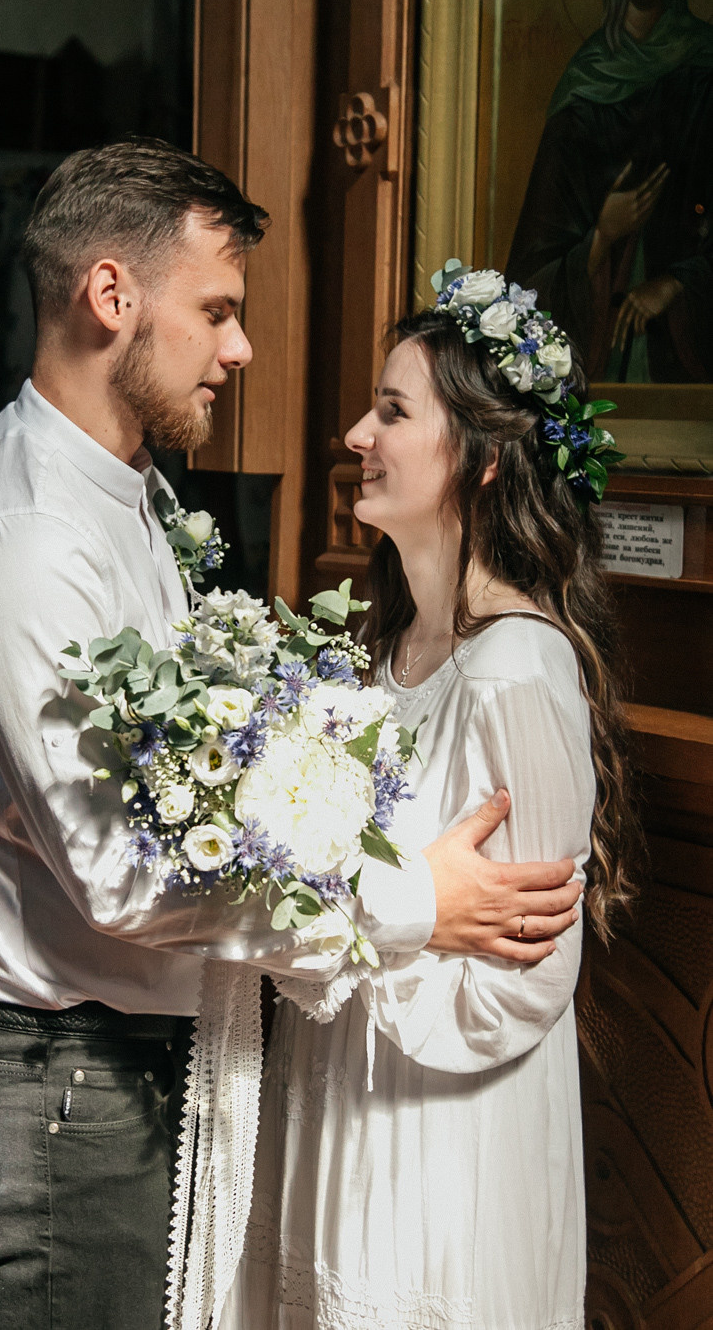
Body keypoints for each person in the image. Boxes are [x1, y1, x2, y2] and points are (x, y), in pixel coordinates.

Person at [0, 145, 581, 1330]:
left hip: (171, 1070)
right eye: (217, 309)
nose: (242, 348)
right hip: (67, 1084)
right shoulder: (25, 537)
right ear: (114, 298)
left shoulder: (131, 495)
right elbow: (119, 870)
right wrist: (412, 906)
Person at [222, 264, 643, 1329]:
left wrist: (362, 958)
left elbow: (525, 981)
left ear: (487, 462)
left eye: (394, 412)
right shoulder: (377, 653)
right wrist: (376, 926)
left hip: (445, 1142)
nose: (359, 432)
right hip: (339, 1095)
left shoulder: (517, 672)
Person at [506, 0, 713, 383]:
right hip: (600, 363)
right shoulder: (582, 92)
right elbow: (528, 285)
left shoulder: (706, 72)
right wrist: (601, 236)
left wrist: (677, 282)